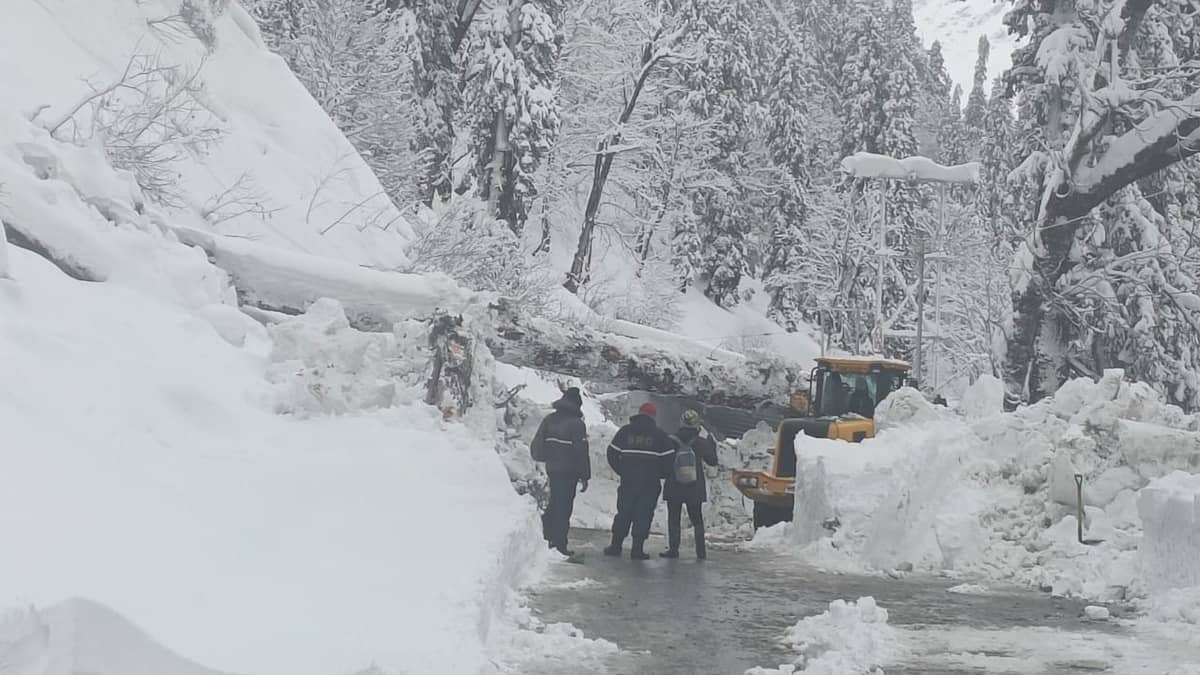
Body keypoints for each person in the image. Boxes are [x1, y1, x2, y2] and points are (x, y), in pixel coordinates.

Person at [603, 401, 675, 560]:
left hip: (628, 481)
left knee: (623, 513)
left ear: (639, 413)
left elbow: (612, 453)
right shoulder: (660, 435)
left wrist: (623, 471)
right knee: (644, 514)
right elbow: (670, 461)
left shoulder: (625, 432)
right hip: (649, 484)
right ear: (653, 417)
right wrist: (658, 474)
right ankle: (637, 550)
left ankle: (615, 546)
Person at [530, 387, 590, 557]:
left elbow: (537, 445)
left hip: (553, 469)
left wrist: (546, 457)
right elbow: (581, 452)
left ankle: (546, 536)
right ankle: (559, 544)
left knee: (555, 503)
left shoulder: (549, 419)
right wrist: (585, 476)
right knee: (563, 507)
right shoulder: (577, 424)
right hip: (569, 472)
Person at [660, 409, 719, 560]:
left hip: (674, 484)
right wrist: (711, 445)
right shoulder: (701, 442)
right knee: (697, 520)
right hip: (694, 486)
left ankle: (673, 549)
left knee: (674, 518)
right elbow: (713, 461)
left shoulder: (671, 439)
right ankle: (701, 552)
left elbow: (663, 459)